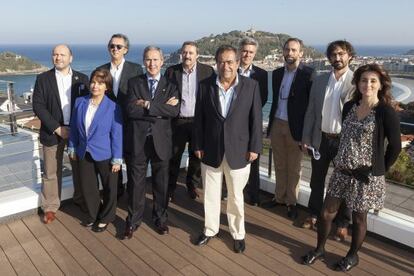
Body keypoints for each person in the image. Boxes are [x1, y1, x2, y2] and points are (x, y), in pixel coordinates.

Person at [302, 64, 401, 271]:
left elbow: (395, 146)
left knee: (358, 218)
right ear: (357, 83)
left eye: (373, 81)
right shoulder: (349, 106)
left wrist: (378, 169)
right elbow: (345, 137)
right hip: (342, 170)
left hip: (366, 175)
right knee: (326, 212)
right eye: (364, 80)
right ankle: (319, 249)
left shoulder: (385, 112)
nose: (368, 84)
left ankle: (352, 255)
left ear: (381, 85)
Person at [193, 45, 262, 253]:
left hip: (239, 150)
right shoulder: (205, 86)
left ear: (238, 63)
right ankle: (210, 229)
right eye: (222, 61)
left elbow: (256, 120)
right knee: (211, 194)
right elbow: (199, 119)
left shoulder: (251, 86)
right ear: (216, 63)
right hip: (210, 149)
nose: (226, 66)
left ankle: (238, 233)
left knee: (235, 196)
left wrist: (255, 147)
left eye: (230, 61)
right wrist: (197, 145)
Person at [123, 46, 179, 239]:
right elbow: (131, 111)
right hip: (139, 141)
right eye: (148, 60)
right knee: (136, 184)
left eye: (156, 60)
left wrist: (146, 105)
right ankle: (133, 220)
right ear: (143, 61)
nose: (152, 64)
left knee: (161, 184)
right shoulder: (133, 83)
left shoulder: (171, 85)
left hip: (161, 142)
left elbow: (174, 112)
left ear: (162, 62)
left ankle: (160, 218)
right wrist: (160, 109)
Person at [301, 40, 355, 240]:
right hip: (320, 140)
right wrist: (306, 137)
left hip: (344, 142)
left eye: (341, 54)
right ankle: (313, 214)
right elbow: (310, 112)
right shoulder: (320, 80)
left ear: (349, 55)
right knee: (316, 180)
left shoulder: (357, 82)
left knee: (345, 184)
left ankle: (342, 223)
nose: (337, 58)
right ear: (329, 58)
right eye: (334, 55)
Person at [32, 44, 88, 224]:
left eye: (62, 55)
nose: (58, 58)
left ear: (70, 57)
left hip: (77, 133)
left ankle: (81, 199)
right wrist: (57, 128)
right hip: (52, 132)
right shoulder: (43, 79)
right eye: (55, 54)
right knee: (50, 171)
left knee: (80, 169)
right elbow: (38, 106)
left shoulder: (82, 79)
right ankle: (49, 207)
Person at [68, 68, 123, 232]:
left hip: (106, 154)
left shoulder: (113, 107)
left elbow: (117, 134)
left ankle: (106, 217)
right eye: (93, 82)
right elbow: (74, 127)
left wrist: (117, 158)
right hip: (84, 152)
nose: (95, 86)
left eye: (100, 83)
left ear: (107, 87)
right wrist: (72, 146)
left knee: (110, 188)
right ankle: (93, 215)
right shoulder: (80, 102)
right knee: (88, 187)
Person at [264, 38, 313, 219]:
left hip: (296, 128)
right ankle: (279, 198)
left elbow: (310, 107)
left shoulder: (308, 74)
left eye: (294, 50)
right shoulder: (277, 73)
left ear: (301, 53)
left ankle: (291, 202)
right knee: (279, 163)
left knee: (294, 167)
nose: (290, 53)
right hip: (277, 122)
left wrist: (306, 133)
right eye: (287, 50)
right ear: (283, 52)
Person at [165, 41, 214, 201]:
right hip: (178, 121)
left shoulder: (207, 71)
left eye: (191, 53)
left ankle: (192, 185)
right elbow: (164, 93)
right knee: (173, 156)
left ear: (197, 55)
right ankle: (170, 187)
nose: (187, 55)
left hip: (198, 122)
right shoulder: (172, 71)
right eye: (185, 52)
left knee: (196, 157)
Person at [97, 33, 143, 198]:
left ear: (126, 50)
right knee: (111, 161)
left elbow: (140, 95)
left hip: (130, 123)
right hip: (108, 124)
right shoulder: (101, 70)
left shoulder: (136, 69)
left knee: (131, 161)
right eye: (112, 46)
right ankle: (115, 194)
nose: (114, 49)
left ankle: (132, 195)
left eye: (118, 46)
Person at [238, 37, 268, 206]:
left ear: (255, 54)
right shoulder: (231, 70)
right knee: (232, 157)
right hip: (233, 124)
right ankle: (230, 191)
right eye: (244, 51)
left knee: (253, 158)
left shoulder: (262, 74)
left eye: (250, 52)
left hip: (252, 122)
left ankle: (254, 195)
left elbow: (262, 99)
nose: (247, 54)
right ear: (239, 51)